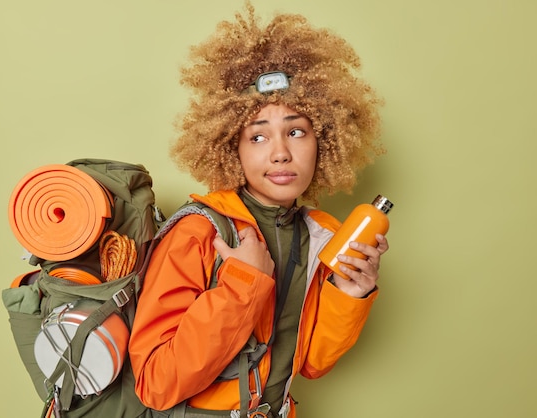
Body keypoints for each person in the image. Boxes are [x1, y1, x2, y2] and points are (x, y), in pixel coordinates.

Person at [128, 3, 388, 417]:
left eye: (296, 131)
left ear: (325, 140)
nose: (281, 153)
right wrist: (243, 285)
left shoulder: (319, 234)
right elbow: (156, 384)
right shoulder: (198, 232)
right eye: (258, 137)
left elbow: (310, 363)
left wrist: (350, 293)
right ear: (231, 146)